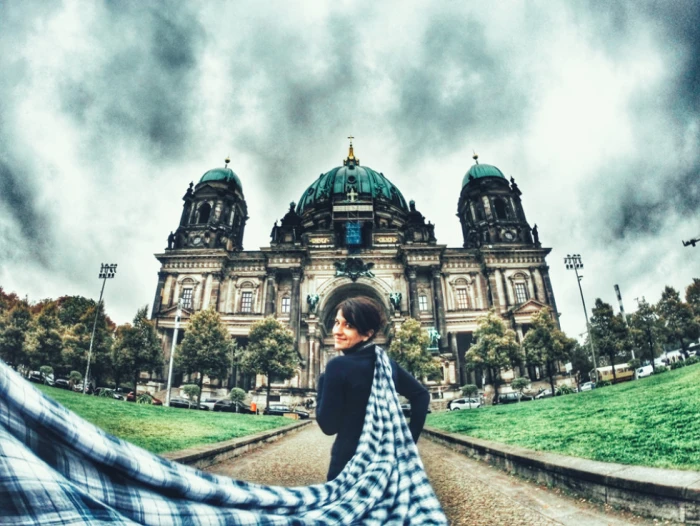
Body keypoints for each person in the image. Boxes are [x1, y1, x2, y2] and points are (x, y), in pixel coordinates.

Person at [315, 296, 430, 481]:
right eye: (337, 322)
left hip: (347, 466)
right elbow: (421, 395)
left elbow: (328, 426)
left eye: (348, 326)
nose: (337, 331)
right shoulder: (387, 363)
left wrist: (322, 382)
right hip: (386, 468)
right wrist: (408, 442)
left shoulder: (337, 366)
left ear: (367, 334)